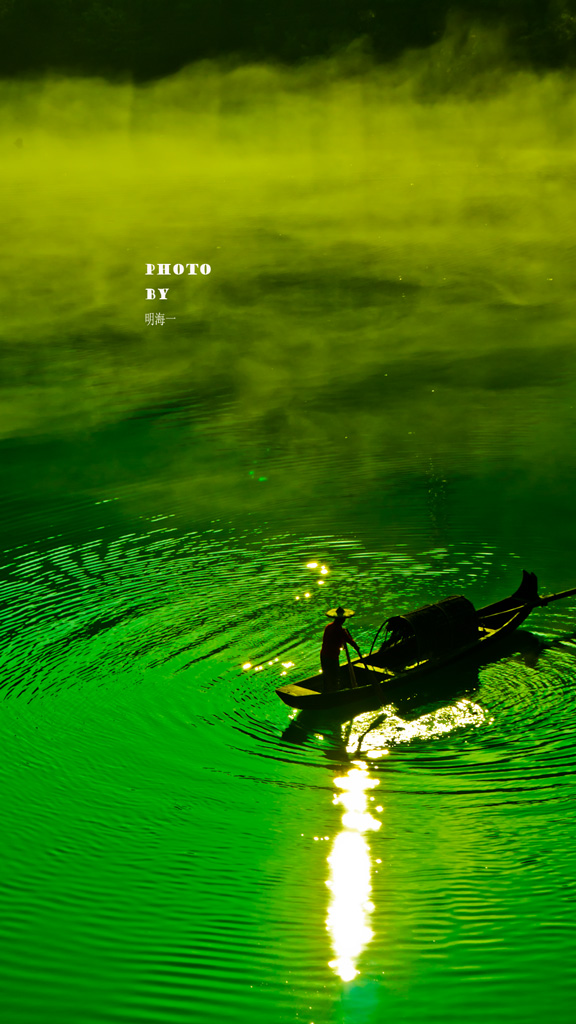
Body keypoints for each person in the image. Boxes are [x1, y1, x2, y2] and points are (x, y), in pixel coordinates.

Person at [320, 606, 361, 690]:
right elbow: (349, 640)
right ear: (342, 620)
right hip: (331, 657)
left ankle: (327, 690)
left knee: (326, 676)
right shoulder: (340, 631)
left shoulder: (328, 626)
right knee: (335, 675)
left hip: (323, 655)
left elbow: (333, 638)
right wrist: (356, 647)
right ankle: (334, 691)